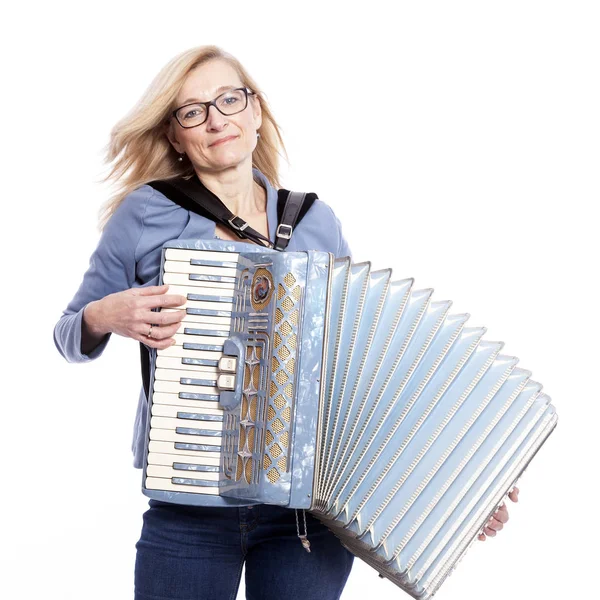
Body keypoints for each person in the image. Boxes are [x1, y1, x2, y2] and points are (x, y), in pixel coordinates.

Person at [53, 45, 517, 600]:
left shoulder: (315, 221)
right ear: (176, 135)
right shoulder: (146, 213)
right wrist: (105, 314)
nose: (217, 119)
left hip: (305, 519)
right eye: (193, 111)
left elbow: (364, 368)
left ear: (255, 112)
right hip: (190, 513)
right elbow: (67, 334)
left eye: (229, 99)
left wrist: (462, 484)